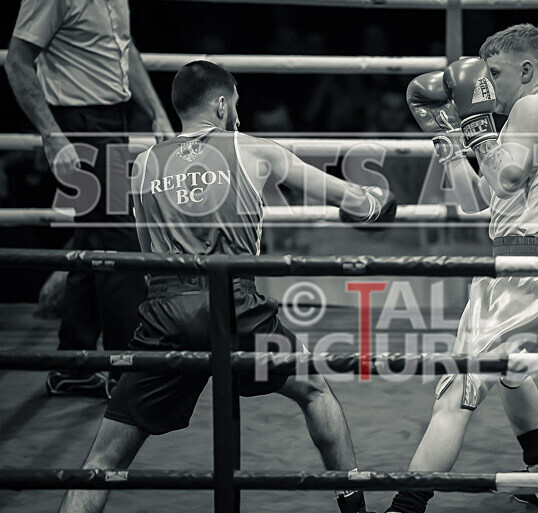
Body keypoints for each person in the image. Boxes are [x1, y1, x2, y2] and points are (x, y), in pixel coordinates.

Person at [57, 61, 395, 513]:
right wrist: (378, 203)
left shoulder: (143, 165)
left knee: (104, 457)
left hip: (166, 309)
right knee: (315, 392)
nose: (237, 111)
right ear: (220, 104)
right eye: (234, 102)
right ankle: (355, 510)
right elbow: (352, 199)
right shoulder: (254, 150)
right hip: (237, 304)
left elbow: (147, 253)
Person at [392, 24, 538, 512]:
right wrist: (449, 140)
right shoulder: (526, 122)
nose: (486, 87)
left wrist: (477, 125)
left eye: (494, 74)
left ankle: (405, 506)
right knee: (511, 369)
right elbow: (478, 200)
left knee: (454, 391)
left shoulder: (535, 106)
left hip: (533, 268)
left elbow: (505, 179)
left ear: (526, 70)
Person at [5, 0, 174, 397]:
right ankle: (128, 368)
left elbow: (124, 48)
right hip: (78, 124)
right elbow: (17, 61)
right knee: (120, 240)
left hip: (111, 120)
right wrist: (53, 136)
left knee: (94, 238)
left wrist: (156, 111)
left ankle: (74, 364)